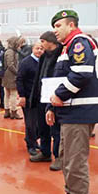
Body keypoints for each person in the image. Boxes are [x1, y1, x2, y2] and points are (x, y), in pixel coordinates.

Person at [46, 9, 98, 194]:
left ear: (71, 25)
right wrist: (54, 106)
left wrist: (58, 96)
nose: (55, 31)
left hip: (80, 112)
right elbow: (63, 78)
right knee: (66, 156)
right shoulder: (68, 46)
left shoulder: (79, 42)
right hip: (70, 111)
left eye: (58, 26)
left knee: (75, 162)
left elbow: (81, 73)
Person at [31, 31, 63, 169]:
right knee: (42, 126)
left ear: (51, 42)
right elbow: (38, 77)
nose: (41, 45)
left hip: (55, 97)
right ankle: (45, 152)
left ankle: (58, 157)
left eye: (43, 41)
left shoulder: (61, 55)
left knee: (55, 129)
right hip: (42, 96)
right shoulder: (44, 57)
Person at [16, 41, 43, 158]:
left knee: (38, 123)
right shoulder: (26, 63)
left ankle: (31, 139)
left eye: (42, 49)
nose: (40, 51)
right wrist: (22, 96)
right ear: (33, 49)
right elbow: (19, 79)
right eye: (37, 48)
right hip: (28, 97)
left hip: (40, 98)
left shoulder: (43, 62)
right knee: (30, 123)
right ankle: (31, 145)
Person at [3, 36, 25, 119]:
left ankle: (7, 111)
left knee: (7, 94)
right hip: (11, 75)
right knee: (13, 94)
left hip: (6, 75)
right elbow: (10, 64)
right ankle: (13, 112)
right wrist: (17, 73)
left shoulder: (8, 51)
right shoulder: (11, 52)